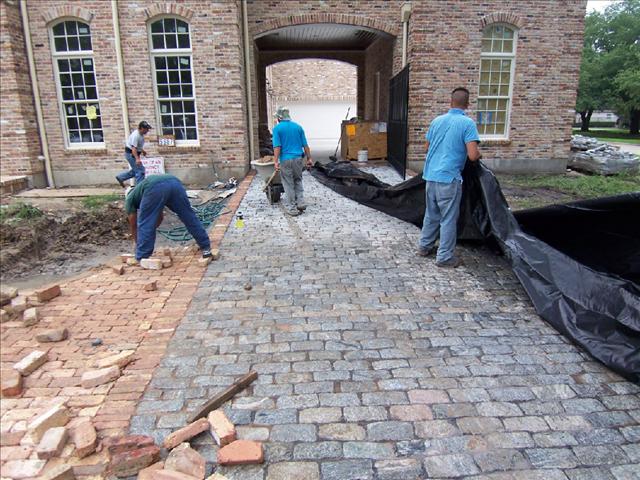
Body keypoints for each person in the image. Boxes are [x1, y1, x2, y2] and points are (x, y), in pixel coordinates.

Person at [417, 87, 482, 268]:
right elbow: (472, 155)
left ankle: (424, 246)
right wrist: (479, 155)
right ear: (467, 105)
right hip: (449, 179)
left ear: (450, 102)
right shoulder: (467, 124)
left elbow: (426, 148)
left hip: (430, 176)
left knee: (431, 214)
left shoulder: (437, 121)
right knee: (448, 218)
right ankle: (444, 257)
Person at [124, 174, 212, 261]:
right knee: (188, 216)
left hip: (155, 187)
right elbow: (159, 218)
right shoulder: (140, 191)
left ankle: (142, 256)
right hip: (175, 183)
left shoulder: (129, 200)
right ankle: (205, 247)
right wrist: (149, 231)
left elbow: (134, 225)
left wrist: (139, 243)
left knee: (145, 223)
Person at [272, 106, 313, 216]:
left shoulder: (277, 128)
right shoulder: (298, 127)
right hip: (298, 159)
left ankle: (292, 208)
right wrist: (309, 158)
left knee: (288, 184)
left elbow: (277, 147)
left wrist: (276, 161)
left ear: (279, 118)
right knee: (298, 180)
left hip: (285, 160)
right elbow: (305, 145)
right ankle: (300, 202)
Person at [116, 121, 152, 187]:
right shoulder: (136, 136)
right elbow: (133, 148)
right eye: (146, 129)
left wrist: (142, 150)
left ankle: (121, 177)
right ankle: (139, 188)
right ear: (141, 128)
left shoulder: (140, 135)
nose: (147, 130)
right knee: (140, 171)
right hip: (131, 154)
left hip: (133, 154)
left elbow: (137, 146)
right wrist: (137, 159)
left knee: (136, 170)